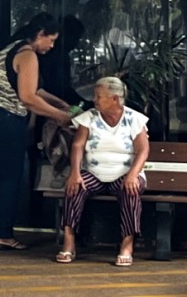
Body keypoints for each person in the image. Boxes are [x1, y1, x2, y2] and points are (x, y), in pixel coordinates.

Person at [0, 12, 73, 250]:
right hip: (2, 117)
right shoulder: (29, 55)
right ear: (40, 34)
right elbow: (28, 97)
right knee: (10, 175)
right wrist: (60, 116)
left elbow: (33, 89)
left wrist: (58, 103)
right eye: (51, 40)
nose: (51, 46)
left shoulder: (13, 48)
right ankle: (5, 235)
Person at [55, 76, 149, 266]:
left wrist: (132, 174)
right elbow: (78, 145)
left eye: (99, 96)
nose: (94, 100)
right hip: (95, 173)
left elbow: (143, 150)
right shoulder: (89, 117)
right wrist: (75, 172)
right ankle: (69, 242)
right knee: (75, 187)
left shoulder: (134, 118)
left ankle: (127, 245)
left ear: (115, 98)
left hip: (124, 174)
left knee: (130, 189)